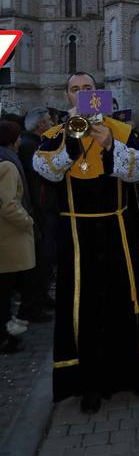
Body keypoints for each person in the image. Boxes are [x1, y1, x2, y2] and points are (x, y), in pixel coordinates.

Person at [33, 72, 139, 412]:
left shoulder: (122, 131)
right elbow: (47, 171)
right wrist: (71, 144)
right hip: (76, 234)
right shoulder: (55, 135)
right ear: (67, 97)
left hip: (117, 228)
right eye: (75, 90)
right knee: (82, 305)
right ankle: (89, 382)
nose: (82, 94)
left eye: (88, 88)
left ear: (98, 94)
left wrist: (109, 145)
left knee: (124, 297)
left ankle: (133, 372)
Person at [17, 107, 56, 321]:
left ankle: (41, 298)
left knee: (45, 259)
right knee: (40, 259)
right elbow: (36, 181)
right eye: (49, 120)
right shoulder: (30, 145)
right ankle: (32, 306)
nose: (51, 123)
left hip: (43, 208)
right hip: (40, 210)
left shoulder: (33, 143)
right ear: (40, 125)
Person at [0, 121, 35, 353]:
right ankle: (6, 336)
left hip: (8, 238)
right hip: (11, 238)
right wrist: (29, 221)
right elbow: (9, 205)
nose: (21, 141)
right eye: (18, 137)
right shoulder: (8, 165)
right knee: (12, 290)